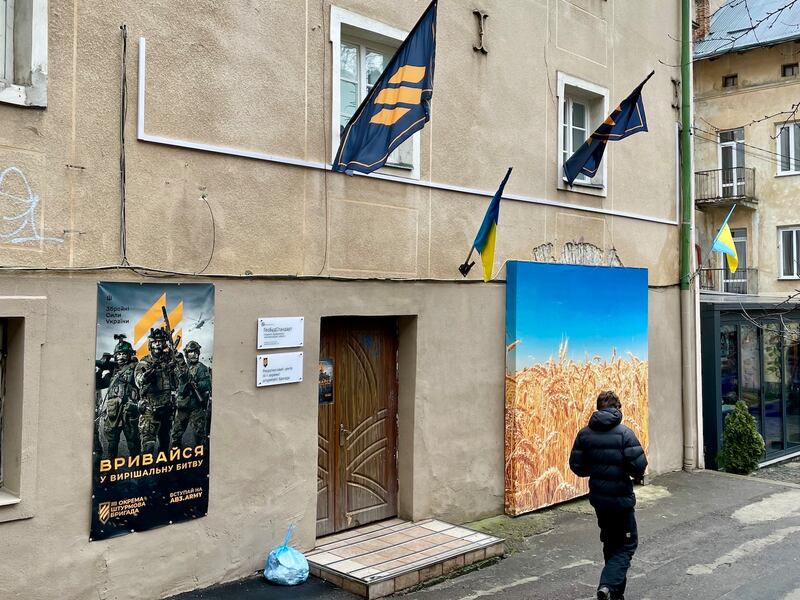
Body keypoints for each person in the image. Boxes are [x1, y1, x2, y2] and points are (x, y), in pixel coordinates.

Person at [569, 390, 647, 600]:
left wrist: (596, 468)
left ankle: (615, 595)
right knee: (627, 544)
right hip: (621, 500)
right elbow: (639, 467)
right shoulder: (625, 433)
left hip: (599, 501)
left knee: (611, 543)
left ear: (598, 408)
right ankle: (608, 586)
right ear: (617, 408)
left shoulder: (584, 434)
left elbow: (577, 467)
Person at [135, 327, 179, 454]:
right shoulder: (145, 361)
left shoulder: (170, 359)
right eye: (154, 341)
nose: (157, 343)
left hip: (166, 407)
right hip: (149, 408)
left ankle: (163, 471)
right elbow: (138, 380)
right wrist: (144, 377)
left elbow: (181, 371)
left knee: (165, 442)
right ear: (150, 344)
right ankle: (144, 470)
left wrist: (175, 353)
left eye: (160, 341)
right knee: (148, 445)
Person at [103, 334, 140, 458]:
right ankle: (109, 470)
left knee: (133, 442)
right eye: (118, 354)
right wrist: (102, 366)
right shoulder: (112, 372)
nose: (121, 356)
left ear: (130, 355)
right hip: (113, 411)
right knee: (112, 443)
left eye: (124, 353)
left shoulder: (135, 368)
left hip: (129, 410)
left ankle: (138, 469)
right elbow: (99, 383)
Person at [170, 340, 211, 448]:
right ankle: (175, 458)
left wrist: (197, 385)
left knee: (200, 435)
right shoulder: (181, 367)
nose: (194, 354)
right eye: (191, 352)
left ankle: (203, 460)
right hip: (182, 405)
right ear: (186, 354)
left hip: (195, 406)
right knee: (176, 435)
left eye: (196, 351)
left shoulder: (202, 368)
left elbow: (207, 383)